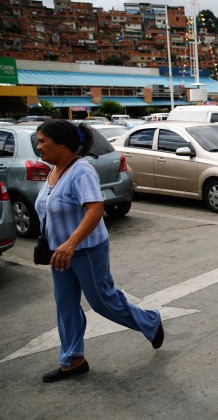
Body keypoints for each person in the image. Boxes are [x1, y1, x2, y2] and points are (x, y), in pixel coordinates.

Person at [34, 120, 164, 383]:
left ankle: (150, 322)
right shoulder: (53, 171)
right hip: (59, 253)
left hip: (86, 249)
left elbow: (95, 209)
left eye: (42, 141)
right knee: (66, 305)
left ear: (62, 143)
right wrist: (58, 246)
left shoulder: (81, 171)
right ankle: (73, 360)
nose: (38, 146)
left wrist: (71, 243)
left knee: (102, 302)